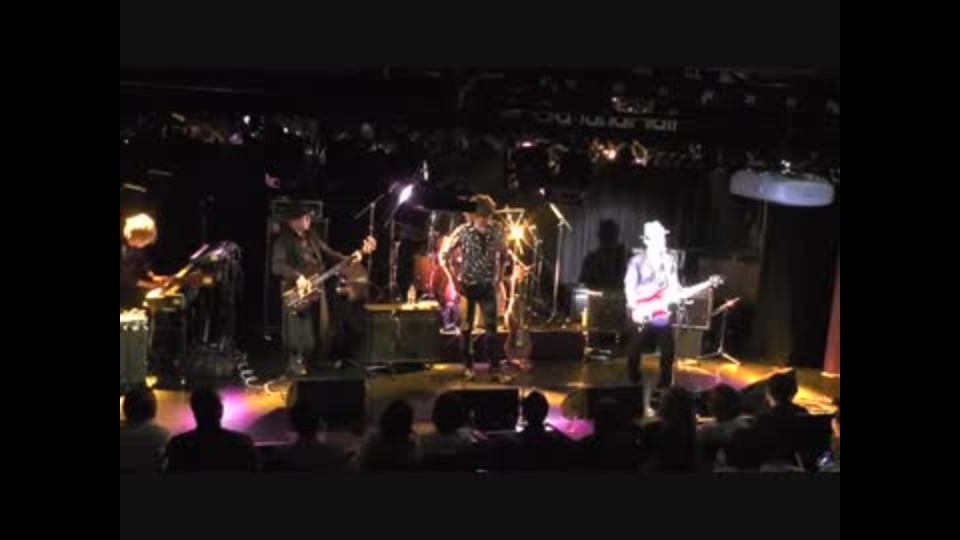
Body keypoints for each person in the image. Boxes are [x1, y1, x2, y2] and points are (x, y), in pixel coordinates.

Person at [271, 201, 358, 375]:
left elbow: (329, 253)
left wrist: (348, 258)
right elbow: (277, 265)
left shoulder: (312, 237)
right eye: (305, 217)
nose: (309, 220)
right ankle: (296, 361)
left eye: (308, 217)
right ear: (293, 221)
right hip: (297, 291)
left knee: (321, 325)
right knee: (299, 330)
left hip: (317, 288)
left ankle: (317, 359)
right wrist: (298, 276)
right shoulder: (284, 241)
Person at [439, 194, 509, 382]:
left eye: (488, 216)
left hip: (487, 285)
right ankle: (468, 367)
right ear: (473, 215)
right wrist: (453, 280)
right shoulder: (463, 232)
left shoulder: (497, 230)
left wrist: (500, 277)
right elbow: (444, 256)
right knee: (466, 329)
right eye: (481, 216)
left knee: (492, 330)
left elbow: (504, 254)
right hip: (467, 286)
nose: (485, 220)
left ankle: (495, 369)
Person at [623, 220, 681, 389]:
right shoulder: (636, 261)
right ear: (647, 240)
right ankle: (633, 376)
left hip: (661, 311)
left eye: (663, 237)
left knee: (668, 349)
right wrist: (636, 308)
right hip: (641, 310)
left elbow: (674, 284)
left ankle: (665, 381)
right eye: (658, 238)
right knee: (635, 348)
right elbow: (629, 287)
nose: (663, 241)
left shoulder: (669, 260)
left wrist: (678, 296)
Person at [120, 213, 167, 309]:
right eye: (145, 241)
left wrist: (152, 276)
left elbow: (143, 264)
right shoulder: (123, 250)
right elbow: (127, 278)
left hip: (135, 288)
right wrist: (152, 285)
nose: (147, 243)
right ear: (137, 237)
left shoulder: (138, 248)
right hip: (124, 294)